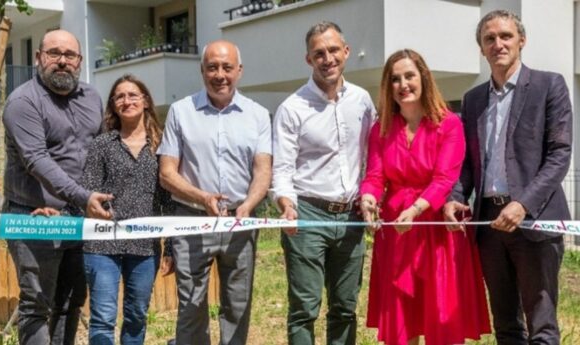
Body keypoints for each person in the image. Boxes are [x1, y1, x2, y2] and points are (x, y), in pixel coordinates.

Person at [444, 10, 573, 345]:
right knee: (506, 326)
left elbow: (559, 154)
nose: (497, 44)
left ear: (521, 41)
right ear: (481, 49)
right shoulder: (473, 99)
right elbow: (469, 163)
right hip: (489, 226)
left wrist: (523, 205)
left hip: (534, 223)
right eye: (489, 38)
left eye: (505, 36)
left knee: (542, 326)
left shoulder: (549, 85)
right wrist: (455, 198)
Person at [359, 49, 490, 345]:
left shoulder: (449, 124)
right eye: (395, 79)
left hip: (437, 232)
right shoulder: (380, 128)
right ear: (387, 86)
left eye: (409, 76)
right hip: (397, 234)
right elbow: (375, 177)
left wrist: (417, 209)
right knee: (401, 324)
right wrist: (368, 198)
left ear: (424, 79)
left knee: (441, 321)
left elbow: (445, 179)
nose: (403, 84)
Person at [157, 40, 272, 345]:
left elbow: (263, 169)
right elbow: (167, 172)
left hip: (240, 220)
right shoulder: (181, 112)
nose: (220, 74)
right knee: (192, 304)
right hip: (192, 219)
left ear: (240, 71)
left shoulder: (258, 115)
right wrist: (202, 197)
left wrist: (248, 204)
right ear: (202, 70)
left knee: (238, 302)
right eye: (212, 67)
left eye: (227, 67)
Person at [3, 29, 112, 344]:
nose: (62, 61)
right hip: (34, 216)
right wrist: (84, 196)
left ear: (79, 61)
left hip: (78, 217)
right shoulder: (22, 102)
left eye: (70, 55)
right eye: (54, 53)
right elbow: (36, 160)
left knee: (71, 300)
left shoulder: (91, 97)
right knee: (37, 305)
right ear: (39, 58)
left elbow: (101, 148)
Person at [271, 21, 376, 345]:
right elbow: (283, 169)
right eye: (319, 53)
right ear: (309, 59)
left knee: (345, 307)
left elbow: (374, 156)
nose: (327, 58)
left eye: (333, 50)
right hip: (307, 216)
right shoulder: (292, 108)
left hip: (350, 219)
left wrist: (371, 196)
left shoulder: (362, 100)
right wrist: (286, 205)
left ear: (345, 52)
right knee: (304, 308)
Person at [80, 74, 174, 344]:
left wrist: (170, 247)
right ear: (113, 105)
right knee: (103, 317)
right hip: (102, 245)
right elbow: (88, 189)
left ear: (145, 101)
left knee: (136, 315)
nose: (126, 100)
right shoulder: (101, 144)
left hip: (145, 247)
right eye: (119, 96)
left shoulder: (162, 145)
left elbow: (169, 200)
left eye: (133, 95)